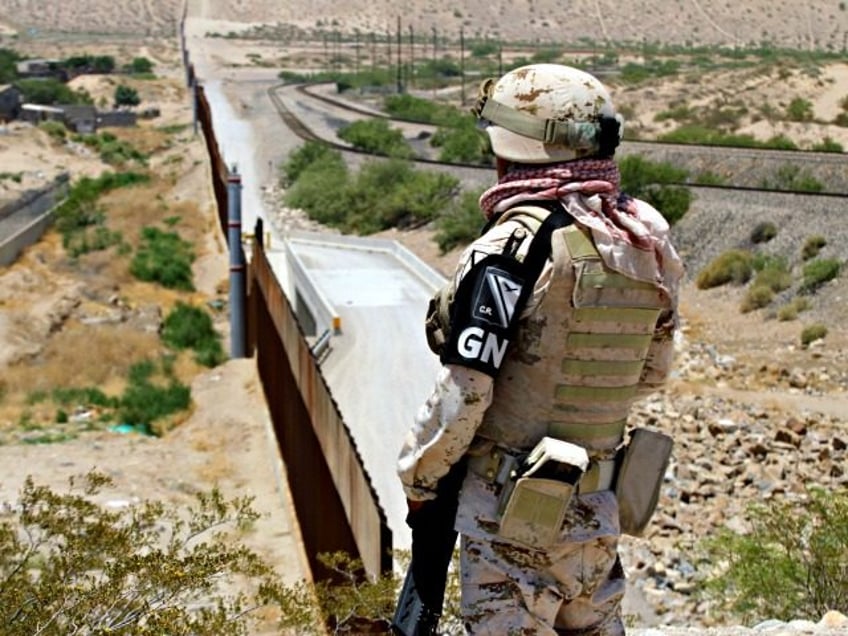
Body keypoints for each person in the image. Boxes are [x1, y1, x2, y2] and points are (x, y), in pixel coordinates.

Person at [396, 63, 684, 635]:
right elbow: (652, 374)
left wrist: (420, 477)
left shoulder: (511, 245)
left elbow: (468, 389)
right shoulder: (641, 239)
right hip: (597, 514)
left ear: (512, 144)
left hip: (510, 522)